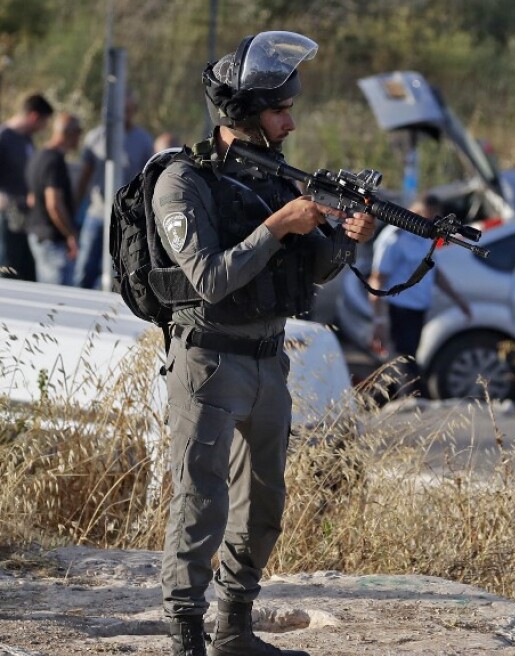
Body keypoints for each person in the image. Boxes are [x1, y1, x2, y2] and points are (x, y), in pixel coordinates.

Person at [154, 31, 375, 656]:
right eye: (280, 111)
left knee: (263, 506)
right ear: (245, 113)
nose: (290, 123)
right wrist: (279, 225)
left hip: (267, 362)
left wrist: (347, 235)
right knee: (199, 503)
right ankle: (184, 634)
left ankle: (234, 627)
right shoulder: (183, 182)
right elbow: (209, 277)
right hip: (208, 360)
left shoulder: (277, 179)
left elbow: (315, 269)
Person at [368, 192, 471, 396]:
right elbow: (377, 278)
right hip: (398, 308)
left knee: (402, 362)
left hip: (418, 308)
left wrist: (458, 299)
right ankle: (414, 398)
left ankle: (378, 401)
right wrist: (378, 319)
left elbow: (434, 272)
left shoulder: (427, 236)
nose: (430, 221)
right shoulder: (395, 237)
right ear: (415, 211)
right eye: (427, 216)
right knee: (404, 361)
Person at [72, 91, 154, 289]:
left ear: (134, 111)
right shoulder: (96, 137)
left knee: (117, 270)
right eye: (120, 109)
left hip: (124, 219)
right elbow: (84, 175)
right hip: (97, 214)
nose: (124, 114)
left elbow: (147, 180)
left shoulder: (143, 141)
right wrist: (74, 208)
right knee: (84, 269)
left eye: (128, 110)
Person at [24, 112, 82, 286]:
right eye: (78, 132)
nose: (80, 137)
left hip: (38, 235)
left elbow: (31, 198)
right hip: (51, 240)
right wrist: (70, 234)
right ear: (68, 133)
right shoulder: (54, 161)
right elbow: (54, 204)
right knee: (59, 296)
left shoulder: (38, 155)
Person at [0, 93, 54, 281]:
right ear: (33, 116)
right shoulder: (4, 138)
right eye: (43, 122)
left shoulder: (26, 139)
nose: (43, 128)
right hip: (6, 218)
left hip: (26, 217)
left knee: (26, 272)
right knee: (8, 269)